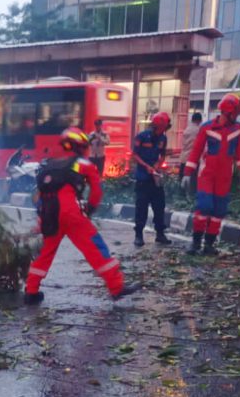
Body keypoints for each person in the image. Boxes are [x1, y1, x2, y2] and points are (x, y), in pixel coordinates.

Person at [24, 128, 140, 305]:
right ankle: (116, 287)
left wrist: (41, 219)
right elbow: (96, 192)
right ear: (80, 146)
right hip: (71, 213)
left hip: (49, 213)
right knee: (95, 248)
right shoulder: (83, 164)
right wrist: (89, 210)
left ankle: (31, 291)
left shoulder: (48, 165)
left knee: (45, 253)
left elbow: (38, 196)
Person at [182, 94, 240, 256]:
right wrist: (187, 173)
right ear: (228, 112)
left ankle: (209, 244)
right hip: (206, 174)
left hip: (225, 176)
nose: (238, 115)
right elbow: (196, 151)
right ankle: (196, 242)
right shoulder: (207, 128)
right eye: (236, 112)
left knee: (219, 211)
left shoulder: (238, 129)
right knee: (204, 207)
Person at [130, 112, 172, 247]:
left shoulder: (163, 138)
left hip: (155, 177)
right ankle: (138, 235)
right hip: (143, 177)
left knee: (159, 206)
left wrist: (157, 165)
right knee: (141, 207)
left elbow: (163, 155)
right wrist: (146, 166)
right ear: (159, 125)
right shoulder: (142, 137)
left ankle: (160, 233)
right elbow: (134, 155)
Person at [179, 112, 203, 195]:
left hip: (184, 158)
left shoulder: (187, 129)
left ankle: (181, 196)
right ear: (199, 120)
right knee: (193, 182)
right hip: (193, 159)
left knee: (182, 180)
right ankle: (191, 197)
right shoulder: (198, 130)